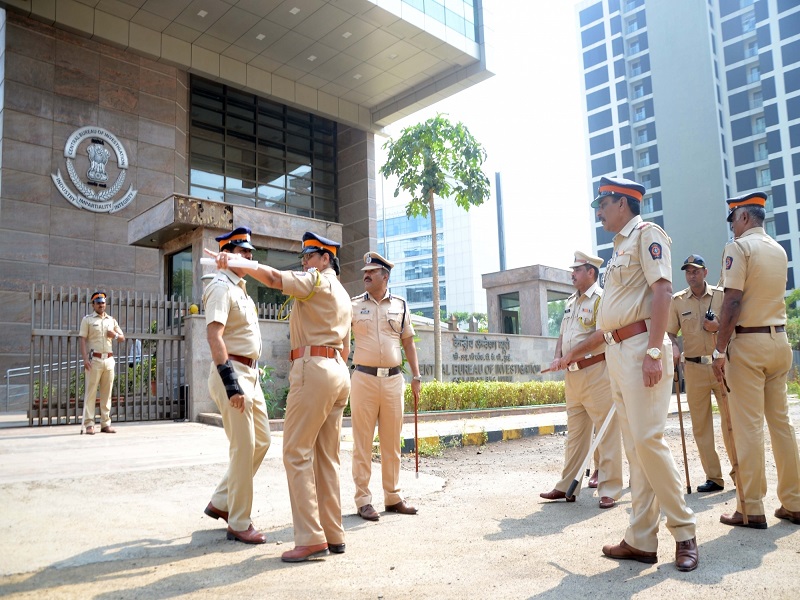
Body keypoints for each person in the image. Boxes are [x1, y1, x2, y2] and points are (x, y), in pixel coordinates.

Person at [210, 230, 352, 562]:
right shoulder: (344, 293)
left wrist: (233, 260)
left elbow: (274, 278)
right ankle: (333, 533)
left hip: (313, 368)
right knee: (326, 458)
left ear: (325, 258)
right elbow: (345, 346)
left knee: (295, 452)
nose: (304, 262)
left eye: (309, 256)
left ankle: (310, 537)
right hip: (338, 370)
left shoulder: (317, 280)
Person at [592, 176, 698, 572]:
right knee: (635, 449)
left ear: (623, 202)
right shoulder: (619, 246)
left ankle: (685, 532)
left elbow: (662, 292)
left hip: (641, 348)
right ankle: (641, 539)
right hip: (617, 350)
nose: (599, 211)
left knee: (650, 442)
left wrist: (655, 350)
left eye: (602, 203)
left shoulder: (645, 234)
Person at [712, 192, 800, 528]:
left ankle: (750, 508)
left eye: (733, 218)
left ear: (744, 217)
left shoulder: (739, 248)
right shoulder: (779, 250)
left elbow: (732, 302)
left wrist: (719, 350)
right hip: (779, 341)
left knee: (748, 428)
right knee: (782, 425)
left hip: (748, 345)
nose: (732, 225)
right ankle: (794, 501)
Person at [202, 226, 271, 545]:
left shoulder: (240, 288)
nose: (250, 257)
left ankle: (221, 500)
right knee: (243, 447)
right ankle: (239, 521)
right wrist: (231, 385)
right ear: (228, 255)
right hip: (232, 373)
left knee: (262, 442)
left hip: (252, 375)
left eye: (251, 253)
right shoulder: (220, 287)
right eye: (244, 252)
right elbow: (214, 336)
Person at [540, 251, 622, 509]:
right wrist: (558, 357)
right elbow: (562, 335)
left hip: (596, 372)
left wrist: (571, 355)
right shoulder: (570, 302)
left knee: (607, 433)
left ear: (591, 272)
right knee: (575, 435)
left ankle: (609, 488)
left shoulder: (601, 299)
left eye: (577, 269)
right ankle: (566, 485)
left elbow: (601, 334)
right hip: (572, 376)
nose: (572, 273)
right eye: (572, 269)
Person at [350, 251, 421, 521]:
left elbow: (409, 343)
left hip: (393, 380)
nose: (365, 275)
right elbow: (342, 338)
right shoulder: (354, 305)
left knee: (392, 442)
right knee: (363, 443)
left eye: (371, 271)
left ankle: (393, 496)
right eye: (364, 272)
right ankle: (364, 500)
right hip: (364, 380)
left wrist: (416, 376)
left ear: (385, 276)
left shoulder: (401, 305)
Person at [667, 254, 735, 493]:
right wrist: (674, 346)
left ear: (705, 272)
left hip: (721, 366)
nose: (691, 275)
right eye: (687, 271)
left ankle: (740, 474)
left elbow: (736, 326)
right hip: (694, 369)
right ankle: (714, 478)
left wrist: (718, 326)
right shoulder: (677, 301)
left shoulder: (722, 295)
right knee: (701, 427)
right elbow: (669, 333)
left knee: (731, 423)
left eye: (695, 271)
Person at [79, 291, 124, 435]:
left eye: (103, 302)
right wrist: (85, 359)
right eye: (98, 302)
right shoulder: (87, 320)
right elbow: (82, 339)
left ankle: (105, 423)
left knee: (107, 393)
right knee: (91, 393)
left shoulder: (111, 320)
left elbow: (122, 337)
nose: (101, 305)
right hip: (95, 360)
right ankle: (89, 424)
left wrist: (115, 335)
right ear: (93, 304)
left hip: (109, 360)